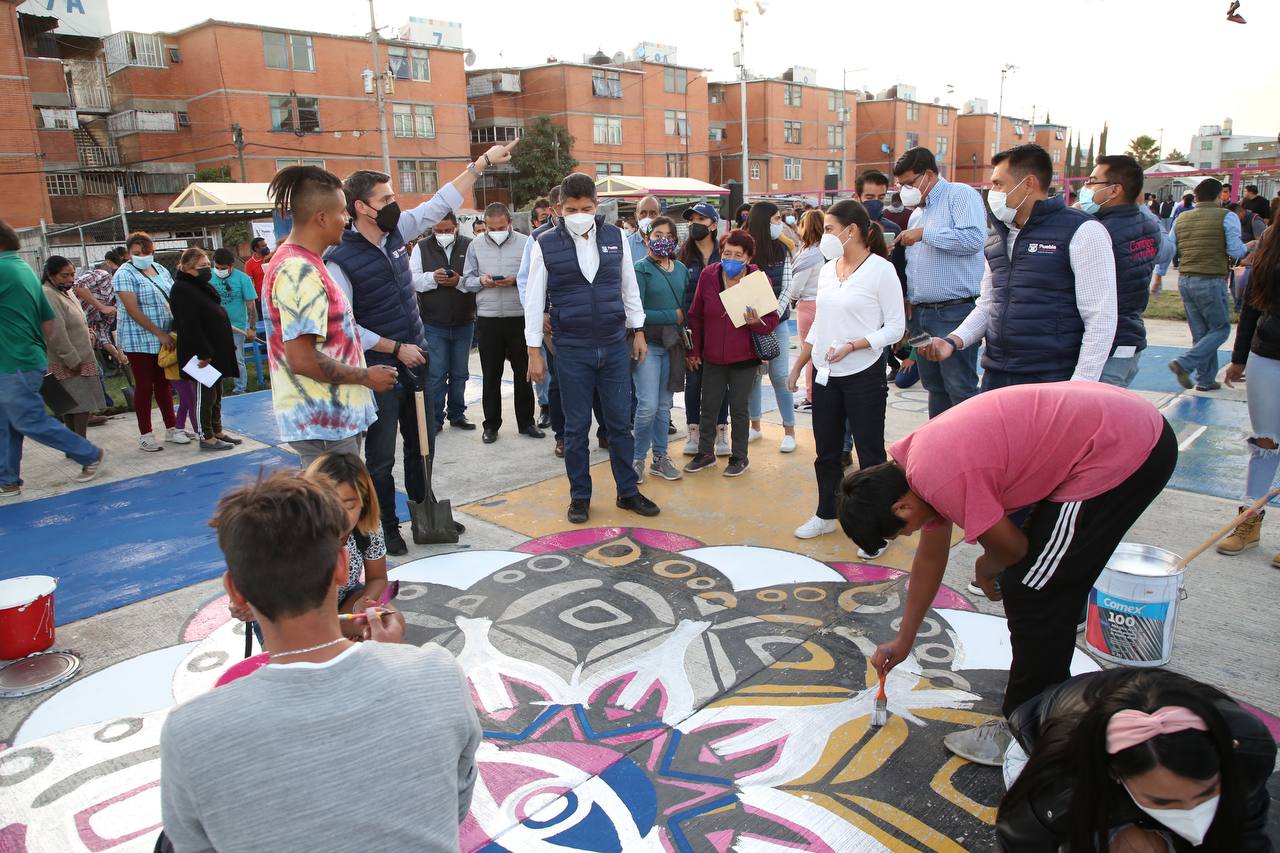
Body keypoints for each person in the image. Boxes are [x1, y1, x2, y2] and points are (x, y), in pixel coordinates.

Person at [844, 382, 1177, 766]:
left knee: (1035, 589)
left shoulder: (938, 477)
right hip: (1115, 426)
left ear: (901, 508)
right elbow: (930, 562)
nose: (910, 533)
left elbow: (1013, 550)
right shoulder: (913, 470)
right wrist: (904, 640)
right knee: (1039, 581)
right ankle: (1048, 703)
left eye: (902, 530)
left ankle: (1030, 730)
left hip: (1124, 446)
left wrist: (987, 563)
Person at [159, 471, 480, 852]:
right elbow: (454, 806)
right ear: (343, 566)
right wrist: (394, 657)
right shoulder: (437, 674)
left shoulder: (190, 733)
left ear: (235, 592)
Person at [326, 144, 514, 552]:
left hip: (417, 359)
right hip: (378, 371)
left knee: (422, 445)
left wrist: (480, 164)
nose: (395, 205)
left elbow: (439, 202)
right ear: (361, 207)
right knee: (379, 457)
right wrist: (395, 348)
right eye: (386, 199)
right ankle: (386, 526)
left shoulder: (396, 233)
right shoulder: (339, 258)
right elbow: (345, 328)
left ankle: (422, 510)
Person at [997, 668, 1275, 852]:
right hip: (1042, 750)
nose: (1193, 814)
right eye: (1164, 802)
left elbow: (1246, 836)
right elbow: (1022, 840)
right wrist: (1116, 833)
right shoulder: (1063, 778)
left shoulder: (1245, 747)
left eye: (1206, 794)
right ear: (1114, 773)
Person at [919, 144, 1117, 388]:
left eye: (998, 184)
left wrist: (1080, 386)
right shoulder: (996, 237)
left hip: (1052, 378)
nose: (993, 192)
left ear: (1028, 184)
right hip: (998, 373)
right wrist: (953, 340)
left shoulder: (1082, 231)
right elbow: (989, 304)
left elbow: (1100, 317)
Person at [524, 172, 659, 524]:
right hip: (571, 349)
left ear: (596, 206)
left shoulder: (615, 237)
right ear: (558, 208)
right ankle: (580, 497)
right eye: (571, 209)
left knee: (619, 425)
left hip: (614, 345)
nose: (579, 214)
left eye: (585, 207)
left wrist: (639, 331)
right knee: (575, 428)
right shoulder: (544, 243)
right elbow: (533, 298)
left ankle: (627, 492)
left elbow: (629, 287)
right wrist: (533, 351)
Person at [261, 166, 396, 471]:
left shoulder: (309, 263)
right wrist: (366, 376)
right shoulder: (298, 271)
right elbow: (303, 360)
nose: (347, 220)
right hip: (325, 424)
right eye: (341, 212)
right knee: (336, 514)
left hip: (335, 422)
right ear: (321, 217)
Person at [788, 201, 904, 542]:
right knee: (826, 451)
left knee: (869, 455)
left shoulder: (881, 270)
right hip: (826, 375)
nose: (823, 235)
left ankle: (876, 528)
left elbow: (896, 327)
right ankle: (826, 513)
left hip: (864, 373)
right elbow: (821, 323)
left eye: (828, 229)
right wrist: (799, 365)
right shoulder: (827, 269)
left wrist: (855, 345)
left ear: (850, 231)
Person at [0, 222, 104, 496]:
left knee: (28, 420)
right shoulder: (22, 269)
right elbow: (47, 320)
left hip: (14, 362)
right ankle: (7, 479)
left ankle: (88, 453)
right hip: (21, 358)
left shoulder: (3, 269)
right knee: (7, 424)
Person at [892, 147, 986, 417]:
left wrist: (925, 234)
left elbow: (972, 240)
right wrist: (909, 297)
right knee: (934, 386)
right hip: (921, 314)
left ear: (929, 175)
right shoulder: (916, 214)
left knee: (960, 387)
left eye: (909, 183)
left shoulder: (960, 195)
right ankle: (940, 448)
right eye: (901, 185)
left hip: (954, 311)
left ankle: (970, 453)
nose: (905, 190)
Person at [684, 230, 780, 476]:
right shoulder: (709, 275)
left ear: (748, 258)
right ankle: (705, 453)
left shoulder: (758, 280)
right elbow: (695, 315)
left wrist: (756, 322)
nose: (731, 259)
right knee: (709, 405)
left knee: (739, 408)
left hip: (744, 358)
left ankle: (739, 457)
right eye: (727, 253)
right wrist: (694, 350)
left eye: (738, 255)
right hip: (713, 356)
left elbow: (772, 320)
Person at [1079, 155, 1173, 388]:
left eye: (1092, 181)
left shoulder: (1099, 230)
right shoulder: (1148, 225)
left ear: (1114, 190)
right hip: (1128, 338)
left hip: (1104, 347)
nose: (1086, 188)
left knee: (1094, 417)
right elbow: (1166, 252)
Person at [1218, 222, 1280, 567]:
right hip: (1267, 355)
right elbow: (1254, 305)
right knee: (1264, 443)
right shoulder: (1271, 238)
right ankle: (1248, 522)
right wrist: (1239, 358)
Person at [463, 202, 540, 443]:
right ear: (484, 225)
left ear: (509, 223)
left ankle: (527, 422)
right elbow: (466, 281)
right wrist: (482, 281)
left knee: (523, 372)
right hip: (489, 318)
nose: (496, 230)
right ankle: (491, 425)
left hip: (519, 317)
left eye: (500, 226)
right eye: (490, 227)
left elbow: (534, 276)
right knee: (491, 374)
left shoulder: (525, 242)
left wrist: (515, 280)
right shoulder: (475, 245)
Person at [1168, 178, 1253, 392]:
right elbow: (1235, 251)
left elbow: (1170, 248)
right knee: (1220, 329)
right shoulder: (1227, 216)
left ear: (1196, 197)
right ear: (1219, 197)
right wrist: (1248, 247)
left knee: (1201, 332)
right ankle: (1185, 363)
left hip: (1185, 279)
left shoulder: (1182, 218)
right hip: (1210, 278)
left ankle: (1205, 380)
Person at [114, 231, 183, 451]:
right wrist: (158, 333)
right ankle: (146, 434)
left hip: (165, 336)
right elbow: (132, 309)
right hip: (139, 338)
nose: (142, 256)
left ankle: (172, 427)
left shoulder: (160, 269)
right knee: (144, 385)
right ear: (128, 253)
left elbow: (172, 297)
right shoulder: (124, 274)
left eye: (146, 252)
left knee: (164, 383)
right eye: (136, 253)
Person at [631, 215, 688, 483]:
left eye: (667, 236)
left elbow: (686, 311)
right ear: (647, 238)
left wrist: (679, 317)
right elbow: (635, 313)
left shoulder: (681, 269)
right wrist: (672, 315)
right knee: (647, 406)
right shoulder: (640, 269)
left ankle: (660, 458)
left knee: (665, 406)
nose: (662, 240)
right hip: (648, 345)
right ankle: (637, 458)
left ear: (675, 240)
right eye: (657, 235)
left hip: (673, 346)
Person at [303, 452, 390, 620]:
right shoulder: (292, 531)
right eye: (329, 504)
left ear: (364, 504)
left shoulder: (367, 528)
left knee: (387, 620)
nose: (338, 516)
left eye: (349, 506)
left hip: (343, 600)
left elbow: (378, 577)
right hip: (295, 616)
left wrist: (365, 602)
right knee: (322, 643)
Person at [170, 247, 242, 451]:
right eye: (201, 267)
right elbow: (189, 324)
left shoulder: (200, 285)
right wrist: (204, 352)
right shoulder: (182, 289)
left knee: (217, 393)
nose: (207, 270)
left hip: (215, 349)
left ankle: (217, 429)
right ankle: (205, 435)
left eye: (207, 265)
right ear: (187, 268)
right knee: (205, 395)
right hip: (201, 353)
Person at [410, 212, 475, 431]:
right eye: (439, 231)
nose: (444, 234)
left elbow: (475, 279)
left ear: (456, 227)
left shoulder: (469, 245)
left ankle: (457, 414)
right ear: (432, 229)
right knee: (436, 373)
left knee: (460, 373)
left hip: (464, 321)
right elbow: (412, 279)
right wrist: (432, 278)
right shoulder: (421, 247)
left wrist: (459, 282)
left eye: (448, 230)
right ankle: (435, 418)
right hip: (433, 322)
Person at [743, 201, 798, 453]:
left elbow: (788, 287)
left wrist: (771, 317)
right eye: (775, 219)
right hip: (747, 325)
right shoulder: (744, 249)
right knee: (753, 377)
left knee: (779, 375)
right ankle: (755, 426)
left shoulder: (781, 249)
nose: (779, 223)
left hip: (777, 323)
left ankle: (789, 430)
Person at [678, 202, 728, 456]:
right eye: (692, 219)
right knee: (694, 381)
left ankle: (721, 432)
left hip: (723, 331)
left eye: (701, 219)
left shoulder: (726, 254)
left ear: (713, 225)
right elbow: (679, 297)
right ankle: (694, 433)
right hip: (692, 332)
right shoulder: (681, 256)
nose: (695, 224)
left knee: (721, 384)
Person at [40, 256, 106, 439]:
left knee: (73, 405)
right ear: (50, 275)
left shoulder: (65, 292)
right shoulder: (48, 294)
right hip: (69, 360)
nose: (70, 279)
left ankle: (74, 444)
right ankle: (79, 443)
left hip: (80, 355)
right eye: (64, 275)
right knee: (80, 405)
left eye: (72, 274)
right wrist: (71, 359)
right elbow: (55, 332)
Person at [74, 247, 127, 412]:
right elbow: (78, 285)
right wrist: (101, 306)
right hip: (69, 326)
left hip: (84, 333)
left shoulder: (117, 308)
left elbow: (103, 335)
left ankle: (102, 407)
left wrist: (117, 355)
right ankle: (97, 408)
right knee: (89, 372)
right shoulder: (103, 277)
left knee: (96, 372)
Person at [790, 209, 826, 411]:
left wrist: (792, 299)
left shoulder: (808, 255)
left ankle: (812, 397)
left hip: (808, 305)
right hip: (824, 304)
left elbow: (796, 287)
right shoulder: (827, 252)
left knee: (808, 352)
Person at [210, 248, 258, 395]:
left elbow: (251, 305)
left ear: (231, 266)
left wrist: (252, 327)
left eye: (223, 268)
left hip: (237, 326)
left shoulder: (243, 279)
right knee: (213, 359)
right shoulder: (207, 277)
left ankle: (240, 389)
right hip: (214, 327)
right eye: (216, 267)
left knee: (238, 359)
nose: (219, 270)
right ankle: (216, 390)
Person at [627, 195, 661, 260]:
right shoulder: (627, 245)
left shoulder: (669, 245)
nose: (648, 217)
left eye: (653, 213)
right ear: (636, 216)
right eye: (643, 213)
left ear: (660, 216)